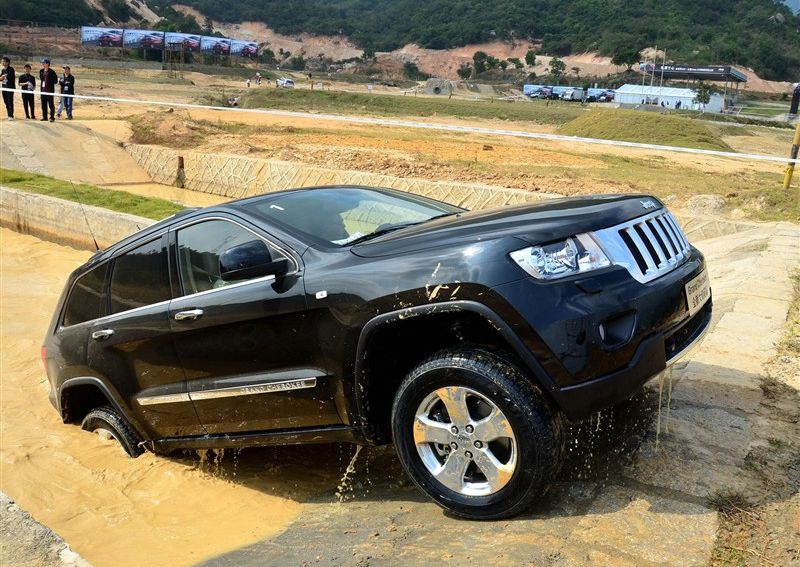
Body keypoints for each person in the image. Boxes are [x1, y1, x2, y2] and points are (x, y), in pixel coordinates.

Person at [39, 58, 57, 122]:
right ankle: (45, 117)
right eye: (42, 63)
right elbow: (41, 79)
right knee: (43, 104)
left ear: (47, 64)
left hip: (49, 91)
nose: (43, 64)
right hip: (43, 90)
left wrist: (49, 82)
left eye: (44, 63)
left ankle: (52, 117)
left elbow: (55, 81)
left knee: (51, 104)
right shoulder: (41, 71)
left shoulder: (52, 72)